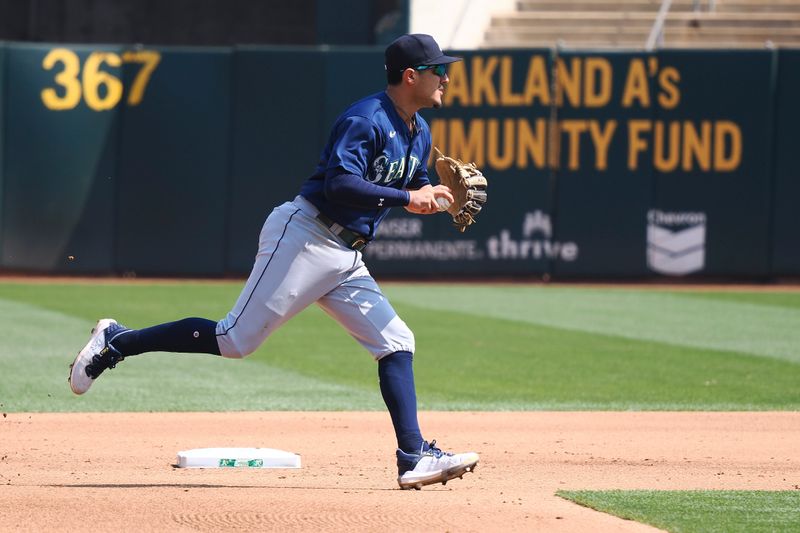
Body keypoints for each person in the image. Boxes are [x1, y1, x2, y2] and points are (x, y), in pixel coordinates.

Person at [69, 34, 479, 490]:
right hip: (305, 235)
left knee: (397, 341)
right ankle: (119, 340)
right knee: (233, 339)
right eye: (438, 70)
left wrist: (437, 197)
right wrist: (407, 197)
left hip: (346, 255)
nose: (445, 77)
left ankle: (413, 456)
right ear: (410, 76)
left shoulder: (418, 131)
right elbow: (342, 184)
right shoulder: (366, 119)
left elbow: (416, 182)